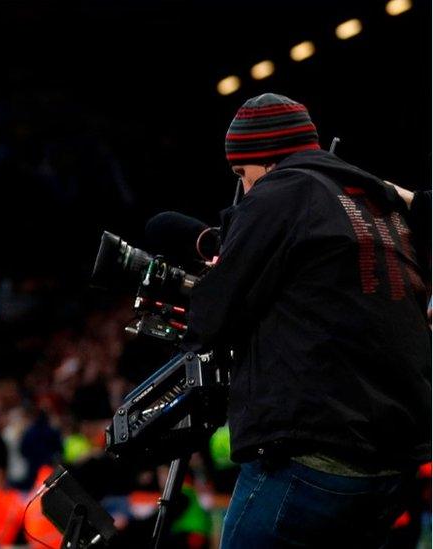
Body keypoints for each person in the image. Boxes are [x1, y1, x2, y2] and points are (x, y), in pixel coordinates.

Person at [184, 93, 431, 548]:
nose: (245, 188)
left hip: (314, 455)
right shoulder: (376, 198)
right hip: (393, 466)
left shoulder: (284, 190)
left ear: (266, 158)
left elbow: (210, 316)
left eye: (242, 174)